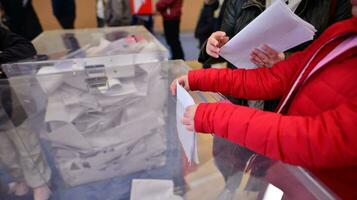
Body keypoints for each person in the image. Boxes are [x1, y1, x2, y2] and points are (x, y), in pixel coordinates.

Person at [170, 2, 357, 198]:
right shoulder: (344, 35)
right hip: (294, 179)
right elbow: (272, 79)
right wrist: (198, 79)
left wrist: (213, 116)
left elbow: (316, 138)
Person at [0, 26, 51, 200]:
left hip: (8, 103)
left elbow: (26, 48)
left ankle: (40, 183)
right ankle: (20, 179)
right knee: (5, 153)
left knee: (27, 146)